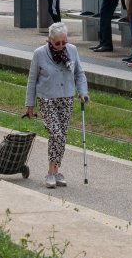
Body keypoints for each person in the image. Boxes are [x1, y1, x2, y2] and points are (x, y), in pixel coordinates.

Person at [25, 22, 89, 189]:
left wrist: (83, 92)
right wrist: (30, 105)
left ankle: (56, 170)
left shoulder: (72, 50)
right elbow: (32, 81)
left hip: (66, 98)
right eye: (57, 43)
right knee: (56, 134)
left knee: (62, 135)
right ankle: (50, 172)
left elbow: (79, 74)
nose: (61, 46)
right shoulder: (39, 54)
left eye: (64, 42)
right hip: (47, 99)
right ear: (49, 40)